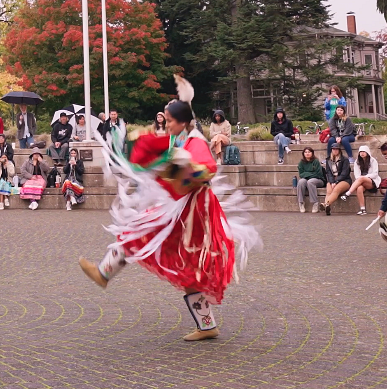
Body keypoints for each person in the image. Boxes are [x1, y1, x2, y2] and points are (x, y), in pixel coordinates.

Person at [78, 78, 261, 341]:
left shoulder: (195, 141)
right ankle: (206, 325)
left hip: (194, 211)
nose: (168, 125)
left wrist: (178, 168)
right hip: (184, 207)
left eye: (171, 121)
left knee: (155, 240)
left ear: (183, 122)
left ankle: (105, 273)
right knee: (162, 247)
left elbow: (206, 169)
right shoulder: (183, 139)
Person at [342, 145, 381, 216]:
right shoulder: (357, 161)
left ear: (367, 152)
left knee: (361, 178)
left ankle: (348, 193)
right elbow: (357, 175)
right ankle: (362, 209)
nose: (362, 153)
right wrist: (361, 179)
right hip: (361, 182)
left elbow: (375, 174)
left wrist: (365, 177)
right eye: (360, 152)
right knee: (359, 188)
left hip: (372, 181)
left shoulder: (373, 160)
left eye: (364, 152)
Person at [321, 144, 352, 215]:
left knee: (336, 189)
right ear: (331, 150)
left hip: (344, 180)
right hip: (333, 179)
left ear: (339, 150)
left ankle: (325, 204)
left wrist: (336, 181)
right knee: (329, 191)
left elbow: (345, 173)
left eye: (337, 149)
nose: (335, 150)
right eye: (333, 149)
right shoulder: (328, 160)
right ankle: (327, 208)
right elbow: (328, 172)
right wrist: (332, 182)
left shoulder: (345, 159)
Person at [295, 147, 324, 213]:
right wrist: (311, 173)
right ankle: (301, 202)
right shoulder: (301, 163)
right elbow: (301, 174)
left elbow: (318, 174)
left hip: (318, 180)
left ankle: (315, 203)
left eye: (309, 152)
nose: (307, 153)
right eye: (306, 152)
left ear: (312, 153)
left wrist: (307, 174)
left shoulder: (316, 161)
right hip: (306, 179)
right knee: (301, 182)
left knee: (310, 182)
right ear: (303, 154)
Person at [0, 134, 16, 210]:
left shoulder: (8, 146)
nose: (1, 139)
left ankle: (2, 202)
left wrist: (7, 160)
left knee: (3, 183)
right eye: (0, 138)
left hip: (7, 178)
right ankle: (5, 199)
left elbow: (11, 154)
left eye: (2, 138)